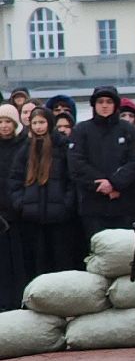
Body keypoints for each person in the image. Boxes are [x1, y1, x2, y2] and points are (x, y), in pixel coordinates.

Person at [66, 85, 135, 255]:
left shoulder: (130, 130)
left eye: (108, 101)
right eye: (100, 102)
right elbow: (76, 164)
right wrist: (102, 185)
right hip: (93, 205)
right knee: (98, 253)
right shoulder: (81, 130)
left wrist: (115, 184)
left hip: (124, 203)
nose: (104, 105)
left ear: (115, 105)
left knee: (125, 253)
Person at [10, 108, 78, 277]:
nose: (38, 127)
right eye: (34, 123)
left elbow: (72, 179)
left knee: (61, 261)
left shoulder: (62, 147)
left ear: (50, 123)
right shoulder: (25, 149)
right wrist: (21, 204)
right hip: (32, 217)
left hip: (59, 217)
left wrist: (66, 205)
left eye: (42, 122)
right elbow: (15, 180)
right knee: (36, 263)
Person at [0, 104, 29, 309]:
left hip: (19, 210)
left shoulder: (24, 145)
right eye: (0, 122)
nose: (3, 126)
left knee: (20, 259)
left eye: (8, 121)